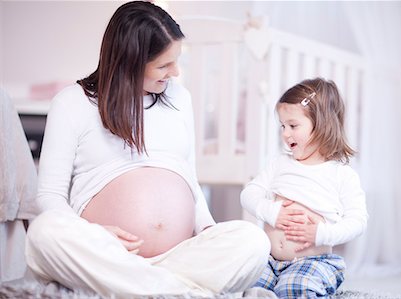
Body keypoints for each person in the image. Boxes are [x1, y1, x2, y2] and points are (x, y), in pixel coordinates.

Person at [25, 1, 270, 297]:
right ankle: (178, 291)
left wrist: (207, 230)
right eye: (164, 64)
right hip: (107, 255)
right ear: (130, 60)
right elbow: (50, 197)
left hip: (177, 258)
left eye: (176, 60)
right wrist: (94, 233)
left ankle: (142, 288)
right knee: (44, 232)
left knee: (253, 240)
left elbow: (189, 179)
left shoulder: (180, 99)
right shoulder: (72, 102)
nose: (175, 72)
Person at [240, 77, 368, 298]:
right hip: (269, 259)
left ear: (322, 125)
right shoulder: (280, 163)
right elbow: (249, 194)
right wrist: (273, 212)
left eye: (293, 126)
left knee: (294, 289)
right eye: (282, 126)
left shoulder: (341, 174)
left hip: (314, 261)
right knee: (245, 285)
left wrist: (322, 234)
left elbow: (358, 221)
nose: (285, 133)